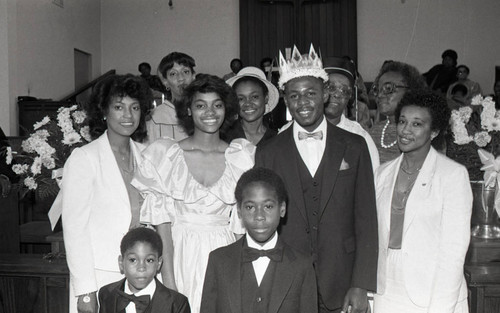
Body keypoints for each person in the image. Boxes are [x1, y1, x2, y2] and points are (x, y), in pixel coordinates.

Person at [255, 44, 378, 313]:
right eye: (294, 95)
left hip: (342, 280)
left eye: (311, 93)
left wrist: (361, 285)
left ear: (325, 94)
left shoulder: (355, 146)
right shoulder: (268, 152)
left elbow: (367, 219)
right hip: (286, 279)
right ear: (285, 101)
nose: (303, 102)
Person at [132, 74, 255, 313]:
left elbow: (243, 225)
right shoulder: (165, 155)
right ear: (188, 110)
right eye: (201, 105)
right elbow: (162, 225)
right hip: (179, 253)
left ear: (226, 109)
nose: (210, 112)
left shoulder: (242, 156)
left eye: (217, 105)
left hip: (225, 251)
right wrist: (169, 283)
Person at [57, 74, 153, 313]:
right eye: (119, 107)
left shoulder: (147, 156)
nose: (128, 115)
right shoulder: (85, 158)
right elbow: (74, 228)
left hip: (143, 273)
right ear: (104, 111)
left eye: (135, 107)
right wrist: (85, 290)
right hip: (101, 275)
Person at [374, 90, 472, 312]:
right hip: (387, 287)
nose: (405, 130)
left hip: (434, 290)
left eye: (417, 124)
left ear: (434, 131)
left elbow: (453, 252)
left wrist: (441, 307)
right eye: (402, 121)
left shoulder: (452, 175)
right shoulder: (382, 173)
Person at [200, 167, 317, 313]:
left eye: (268, 206)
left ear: (282, 209)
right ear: (239, 211)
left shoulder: (302, 266)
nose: (259, 216)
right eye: (250, 207)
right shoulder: (218, 260)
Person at [98, 227, 190, 313]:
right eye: (133, 260)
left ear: (158, 263)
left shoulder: (177, 304)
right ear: (121, 263)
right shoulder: (106, 294)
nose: (141, 268)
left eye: (149, 260)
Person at [368, 61, 428, 164]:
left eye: (388, 88)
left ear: (410, 91)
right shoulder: (374, 131)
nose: (380, 95)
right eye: (377, 90)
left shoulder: (422, 133)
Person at [146, 52, 196, 144]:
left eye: (186, 72)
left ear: (193, 76)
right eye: (173, 74)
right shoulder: (156, 118)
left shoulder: (203, 112)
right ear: (165, 81)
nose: (181, 78)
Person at [225, 66, 279, 146]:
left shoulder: (277, 139)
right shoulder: (224, 136)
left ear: (266, 98)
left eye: (254, 97)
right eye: (240, 99)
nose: (248, 103)